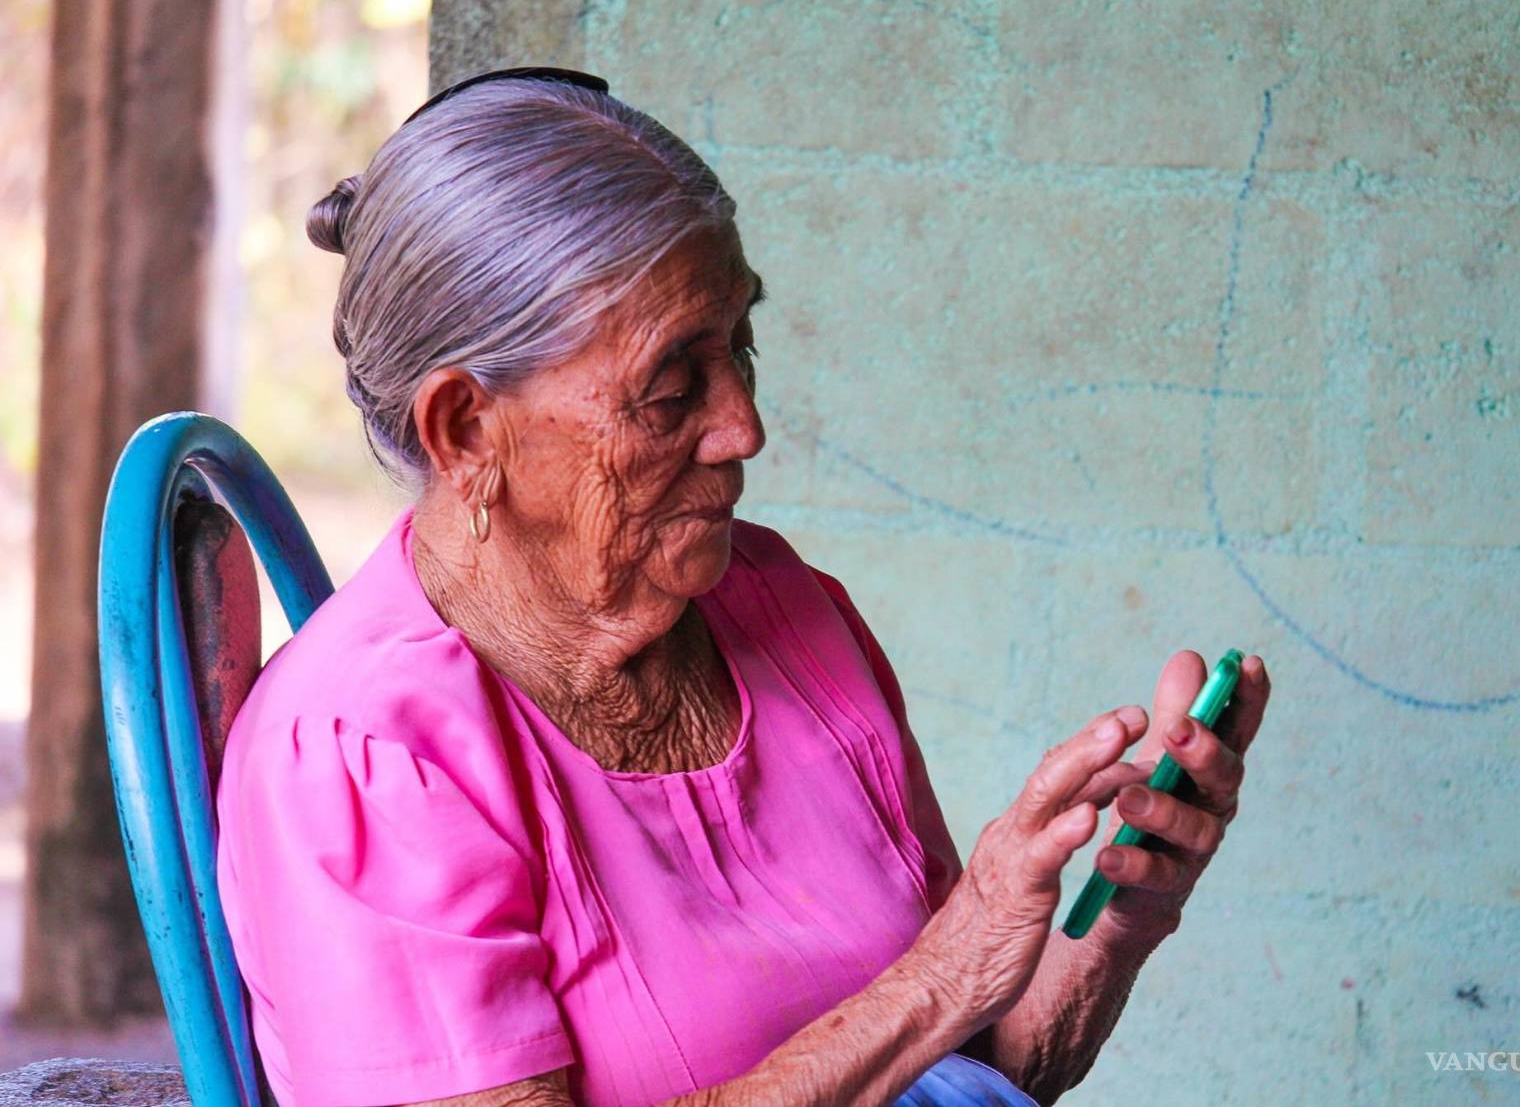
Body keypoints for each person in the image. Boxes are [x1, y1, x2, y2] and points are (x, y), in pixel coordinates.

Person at [214, 68, 1272, 1107]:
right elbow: (932, 1006)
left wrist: (1123, 915)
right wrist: (935, 979)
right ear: (466, 429)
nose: (743, 429)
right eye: (672, 390)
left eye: (741, 350)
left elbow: (968, 1070)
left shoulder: (787, 609)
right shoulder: (367, 759)